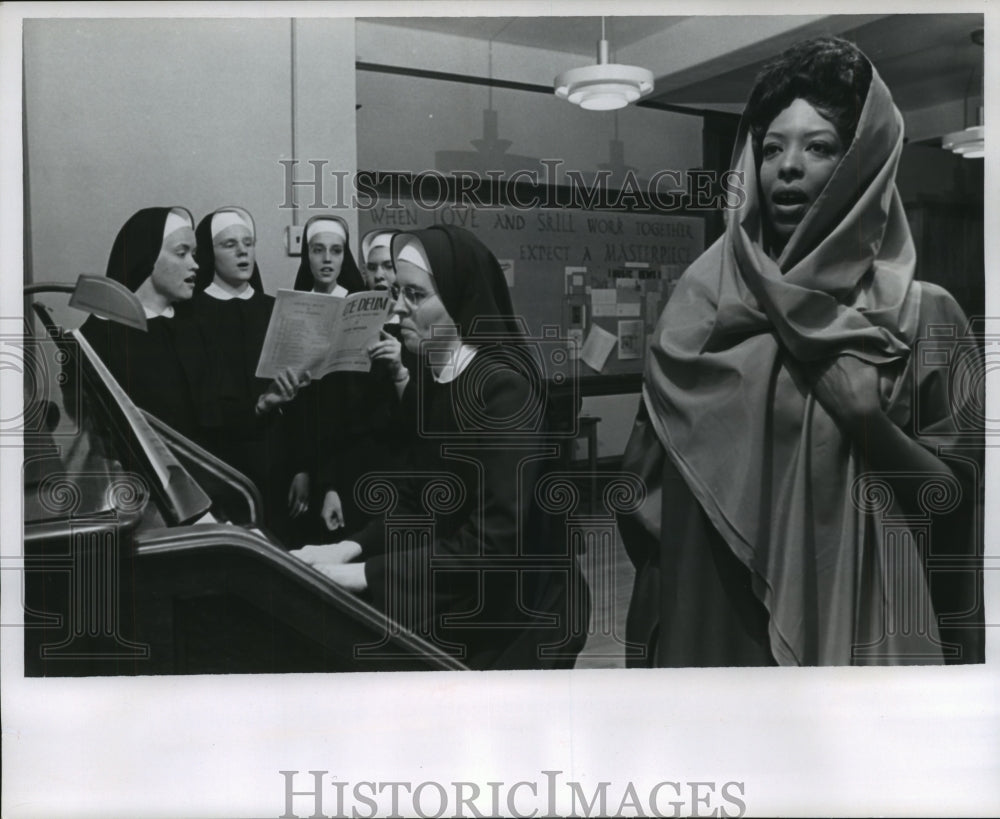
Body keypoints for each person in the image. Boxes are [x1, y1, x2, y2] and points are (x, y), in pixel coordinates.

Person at [618, 37, 983, 667]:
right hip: (714, 630)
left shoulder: (925, 314)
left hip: (858, 642)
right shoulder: (698, 306)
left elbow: (958, 508)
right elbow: (640, 493)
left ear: (862, 167)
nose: (787, 166)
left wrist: (869, 427)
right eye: (771, 148)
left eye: (819, 147)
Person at [291, 225, 590, 670]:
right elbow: (419, 503)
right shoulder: (436, 376)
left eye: (415, 295)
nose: (396, 309)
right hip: (469, 594)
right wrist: (347, 548)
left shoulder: (504, 391)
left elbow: (493, 543)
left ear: (460, 299)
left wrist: (365, 575)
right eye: (396, 292)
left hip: (525, 613)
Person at [190, 206, 305, 539]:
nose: (243, 251)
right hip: (225, 466)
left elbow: (301, 405)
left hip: (280, 462)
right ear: (210, 252)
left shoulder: (275, 309)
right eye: (230, 244)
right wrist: (259, 405)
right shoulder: (193, 314)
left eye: (248, 243)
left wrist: (302, 468)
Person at [286, 215, 398, 539]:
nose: (327, 259)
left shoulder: (360, 310)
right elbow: (296, 404)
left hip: (349, 453)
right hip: (309, 445)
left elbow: (358, 405)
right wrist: (301, 467)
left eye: (336, 251)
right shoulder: (296, 310)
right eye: (318, 250)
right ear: (307, 256)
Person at [79, 207, 205, 438]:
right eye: (181, 253)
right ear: (147, 256)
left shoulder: (195, 325)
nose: (194, 264)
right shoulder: (100, 334)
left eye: (194, 254)